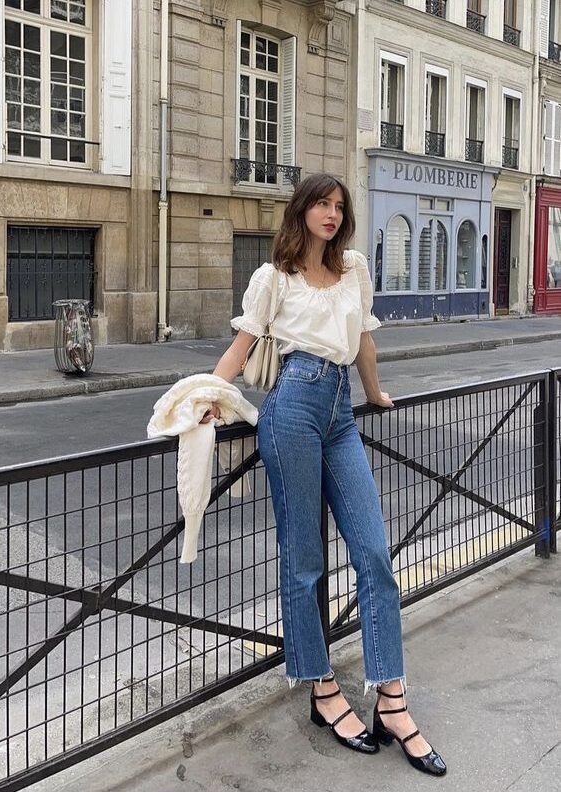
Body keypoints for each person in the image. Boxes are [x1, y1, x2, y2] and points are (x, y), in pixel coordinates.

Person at [201, 173, 446, 776]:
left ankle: (392, 697)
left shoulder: (355, 268)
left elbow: (361, 338)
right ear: (302, 209)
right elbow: (243, 343)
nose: (333, 214)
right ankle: (322, 686)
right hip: (291, 410)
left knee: (375, 553)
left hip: (338, 412)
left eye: (340, 207)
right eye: (322, 204)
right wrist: (208, 395)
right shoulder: (274, 277)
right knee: (303, 557)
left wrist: (375, 391)